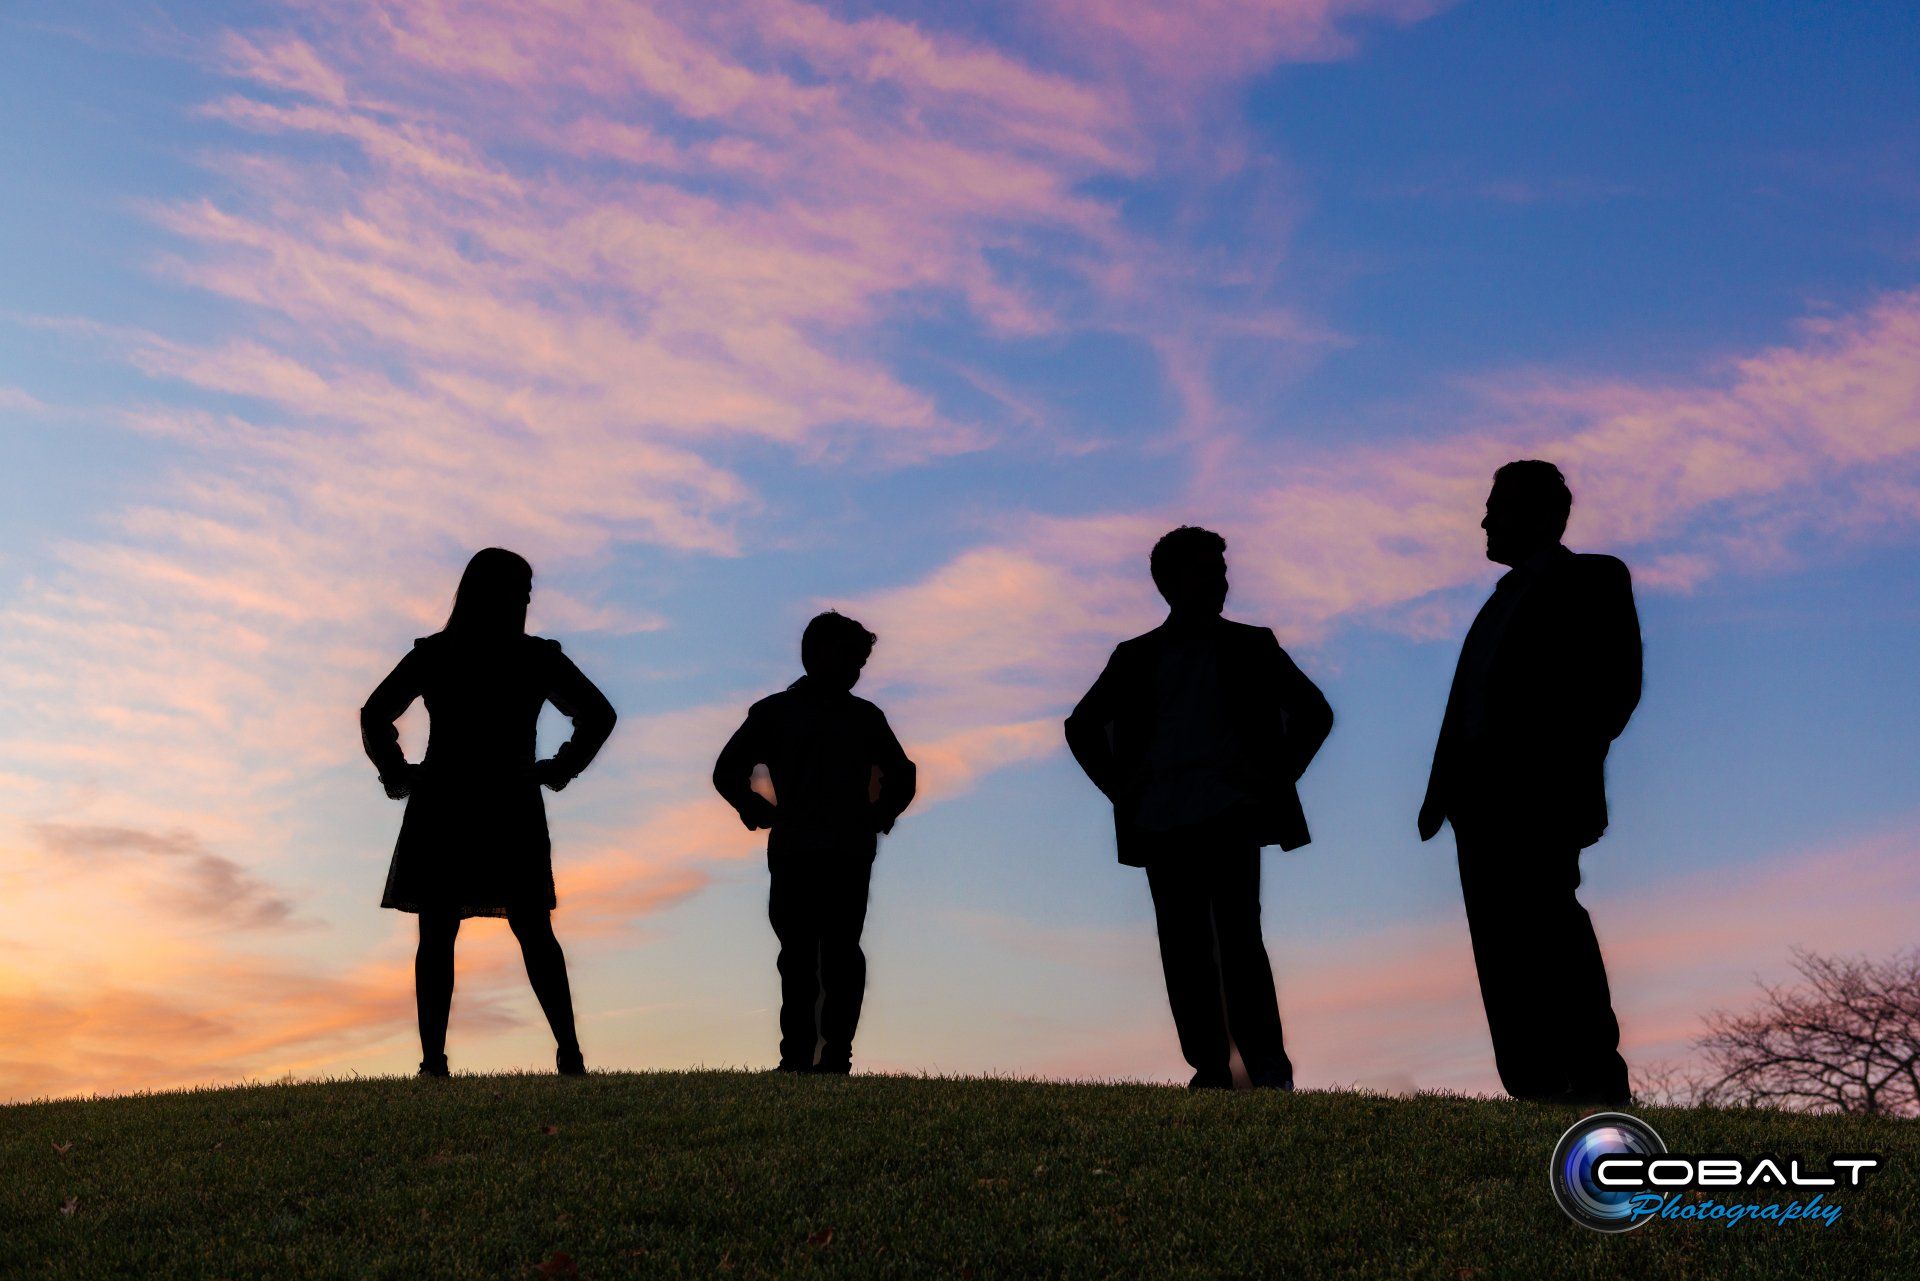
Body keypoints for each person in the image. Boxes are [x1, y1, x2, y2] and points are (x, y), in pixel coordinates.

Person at [1065, 527, 1332, 1090]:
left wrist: (1272, 779)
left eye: (1221, 570)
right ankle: (1212, 1067)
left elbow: (1314, 711)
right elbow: (1081, 726)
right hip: (1163, 820)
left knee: (1238, 940)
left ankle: (1263, 1066)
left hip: (1231, 811)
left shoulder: (1252, 644)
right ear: (1168, 583)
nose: (1219, 582)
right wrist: (1123, 788)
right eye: (1205, 570)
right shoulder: (1135, 657)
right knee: (1184, 946)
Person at [1418, 460, 1639, 1104]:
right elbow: (1469, 701)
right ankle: (1532, 1086)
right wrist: (1445, 792)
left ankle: (1593, 1081)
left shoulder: (1594, 578)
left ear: (1542, 515)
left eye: (1499, 507)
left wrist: (1551, 769)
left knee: (1550, 933)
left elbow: (1613, 688)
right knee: (1499, 947)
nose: (1485, 520)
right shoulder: (1501, 600)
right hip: (1477, 803)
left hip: (1538, 798)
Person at [361, 548, 617, 1077]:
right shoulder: (521, 657)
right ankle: (455, 1059)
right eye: (517, 590)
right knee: (470, 931)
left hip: (463, 802)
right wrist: (558, 768)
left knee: (503, 929)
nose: (523, 600)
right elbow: (375, 713)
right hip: (489, 802)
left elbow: (375, 713)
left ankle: (555, 1054)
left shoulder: (461, 655)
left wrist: (399, 773)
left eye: (526, 591)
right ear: (488, 592)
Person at [712, 611, 917, 1074]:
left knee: (834, 954)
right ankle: (801, 1056)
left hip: (837, 850)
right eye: (852, 659)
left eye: (861, 663)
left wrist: (877, 817)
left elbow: (902, 775)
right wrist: (754, 808)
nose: (856, 671)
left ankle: (830, 1054)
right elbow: (728, 770)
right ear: (819, 654)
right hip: (803, 850)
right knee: (805, 955)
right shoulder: (779, 714)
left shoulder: (860, 717)